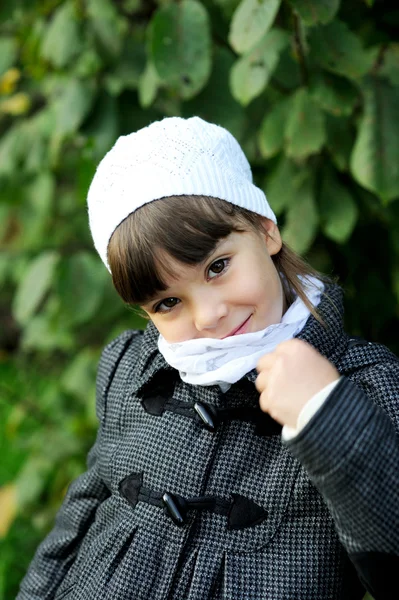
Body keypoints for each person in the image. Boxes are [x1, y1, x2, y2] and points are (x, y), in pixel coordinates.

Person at [17, 117, 399, 600]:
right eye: (168, 303)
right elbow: (82, 511)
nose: (211, 316)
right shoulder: (131, 369)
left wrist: (328, 417)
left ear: (265, 231)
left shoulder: (365, 385)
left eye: (217, 267)